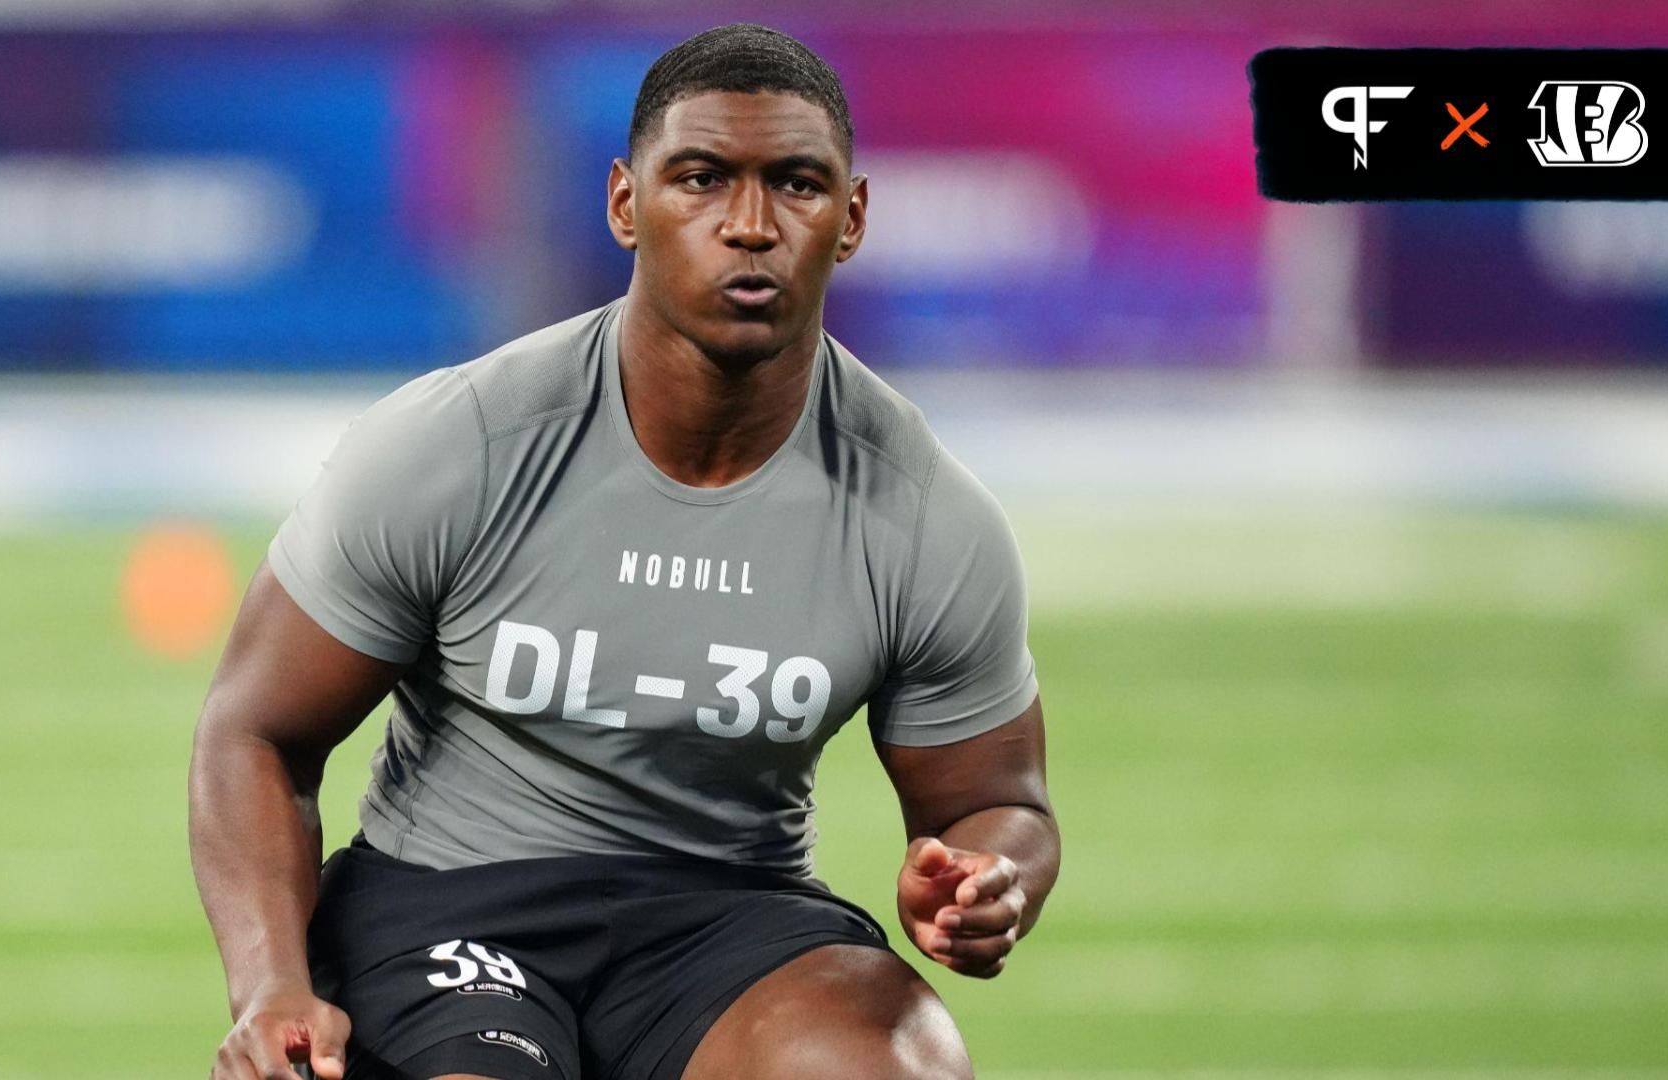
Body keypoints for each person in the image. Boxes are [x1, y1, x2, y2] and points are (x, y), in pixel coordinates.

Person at [190, 23, 1059, 1080]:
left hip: (726, 920)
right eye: (701, 179)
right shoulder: (460, 445)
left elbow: (996, 798)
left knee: (897, 1065)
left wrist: (990, 878)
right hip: (450, 905)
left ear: (852, 218)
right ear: (624, 203)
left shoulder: (920, 511)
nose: (749, 225)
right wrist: (273, 982)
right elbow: (257, 731)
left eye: (795, 184)